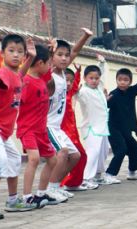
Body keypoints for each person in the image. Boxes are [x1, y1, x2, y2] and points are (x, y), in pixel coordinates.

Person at [0, 35, 35, 219]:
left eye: (20, 52)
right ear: (2, 53)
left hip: (3, 130)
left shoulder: (16, 76)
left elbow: (20, 74)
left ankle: (12, 200)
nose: (16, 55)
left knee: (15, 159)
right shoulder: (3, 74)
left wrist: (32, 56)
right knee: (0, 159)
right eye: (11, 51)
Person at [45, 28, 93, 201]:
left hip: (58, 127)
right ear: (52, 57)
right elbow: (43, 66)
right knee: (63, 152)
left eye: (66, 55)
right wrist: (49, 51)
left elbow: (75, 51)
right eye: (60, 54)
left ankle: (57, 186)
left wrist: (86, 36)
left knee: (76, 156)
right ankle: (49, 190)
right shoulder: (49, 74)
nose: (65, 58)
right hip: (48, 125)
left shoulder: (63, 73)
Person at [16, 44, 59, 208]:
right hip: (28, 129)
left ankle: (41, 193)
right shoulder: (26, 82)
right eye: (48, 63)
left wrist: (51, 49)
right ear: (40, 63)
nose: (50, 67)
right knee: (33, 159)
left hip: (41, 130)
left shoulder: (42, 79)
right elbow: (15, 100)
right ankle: (27, 197)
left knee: (52, 160)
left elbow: (50, 71)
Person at [105, 67, 137, 182]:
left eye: (125, 80)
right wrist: (105, 100)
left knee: (135, 148)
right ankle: (109, 174)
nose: (122, 82)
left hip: (125, 129)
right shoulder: (113, 94)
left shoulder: (131, 91)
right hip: (113, 128)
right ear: (116, 80)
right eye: (120, 79)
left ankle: (132, 172)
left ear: (130, 81)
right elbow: (105, 107)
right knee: (121, 150)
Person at [77, 54, 113, 186]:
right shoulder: (83, 92)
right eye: (91, 78)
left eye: (96, 78)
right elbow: (76, 94)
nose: (94, 80)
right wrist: (76, 89)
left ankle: (98, 175)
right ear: (85, 78)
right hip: (91, 128)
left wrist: (102, 61)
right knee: (93, 153)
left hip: (103, 128)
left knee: (103, 152)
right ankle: (86, 178)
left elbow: (102, 71)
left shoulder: (99, 87)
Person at [60, 64, 90, 191]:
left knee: (81, 157)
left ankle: (72, 183)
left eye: (70, 81)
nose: (68, 83)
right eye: (65, 80)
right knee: (66, 159)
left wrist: (78, 71)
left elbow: (76, 84)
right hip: (63, 133)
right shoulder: (56, 94)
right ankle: (60, 184)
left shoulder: (70, 92)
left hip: (73, 133)